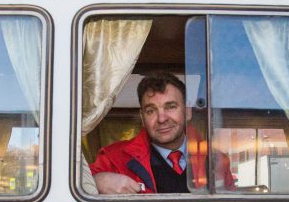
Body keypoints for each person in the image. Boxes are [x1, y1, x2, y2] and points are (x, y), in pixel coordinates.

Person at [90, 71, 235, 194]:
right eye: (151, 111)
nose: (161, 118)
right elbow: (77, 183)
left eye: (170, 107)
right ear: (142, 117)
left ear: (188, 111)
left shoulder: (216, 159)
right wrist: (97, 181)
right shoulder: (114, 158)